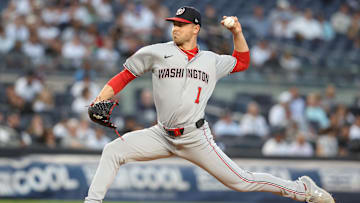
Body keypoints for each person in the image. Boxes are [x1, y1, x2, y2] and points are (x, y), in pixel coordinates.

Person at [84, 6, 334, 203]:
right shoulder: (156, 52)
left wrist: (236, 32)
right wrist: (100, 99)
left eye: (181, 25)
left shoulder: (211, 61)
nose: (175, 28)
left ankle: (303, 189)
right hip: (161, 134)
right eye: (174, 24)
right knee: (113, 151)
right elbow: (124, 75)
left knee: (242, 181)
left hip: (195, 137)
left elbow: (242, 62)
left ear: (196, 29)